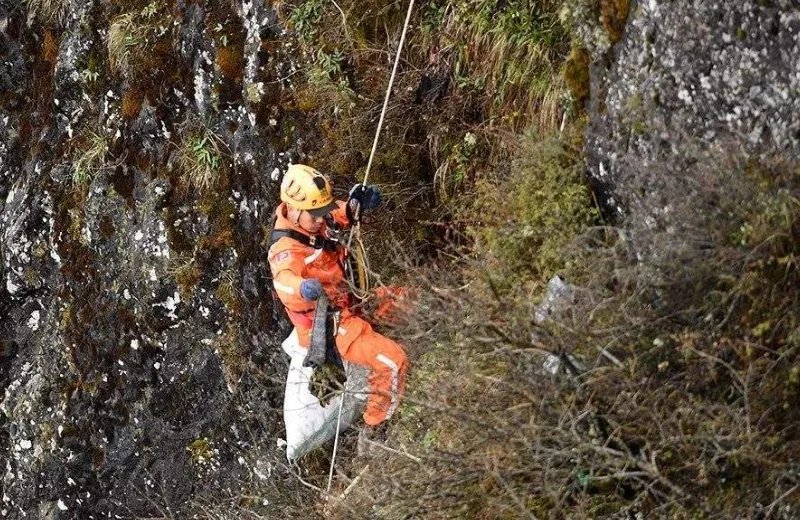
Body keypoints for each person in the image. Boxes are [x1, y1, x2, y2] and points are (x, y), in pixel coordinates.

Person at [268, 164, 409, 431]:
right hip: (328, 324)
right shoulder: (285, 250)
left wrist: (353, 205)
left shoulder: (311, 217)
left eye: (322, 212)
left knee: (411, 299)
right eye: (315, 215)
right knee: (392, 361)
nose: (321, 219)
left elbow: (336, 215)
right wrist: (302, 288)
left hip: (351, 298)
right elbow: (284, 282)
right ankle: (375, 428)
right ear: (294, 210)